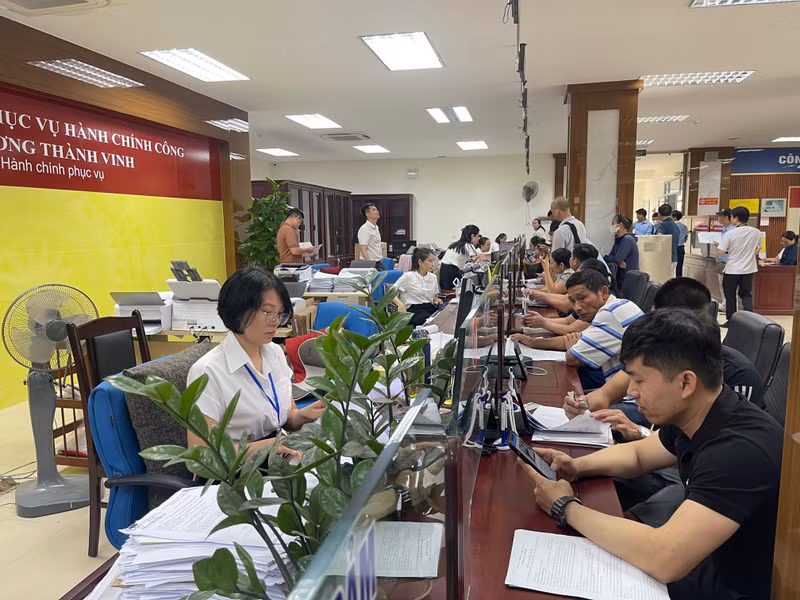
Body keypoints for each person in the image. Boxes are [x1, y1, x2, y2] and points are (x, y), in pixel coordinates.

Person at [523, 309, 782, 599]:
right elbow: (639, 455)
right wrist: (575, 466)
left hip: (727, 587)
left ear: (686, 383)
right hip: (703, 561)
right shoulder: (699, 412)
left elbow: (664, 557)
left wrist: (564, 507)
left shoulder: (738, 451)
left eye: (640, 380)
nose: (631, 391)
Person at [565, 278, 765, 427]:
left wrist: (642, 434)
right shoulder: (656, 353)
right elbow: (607, 394)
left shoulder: (738, 374)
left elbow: (720, 438)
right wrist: (580, 405)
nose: (632, 390)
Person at [187, 268, 326, 460]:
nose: (275, 322)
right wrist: (266, 446)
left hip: (280, 458)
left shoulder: (275, 353)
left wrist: (303, 416)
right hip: (237, 475)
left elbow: (284, 418)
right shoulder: (208, 372)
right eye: (268, 312)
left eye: (280, 314)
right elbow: (202, 455)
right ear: (237, 309)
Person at [515, 269, 644, 391]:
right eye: (572, 301)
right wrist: (532, 342)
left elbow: (572, 358)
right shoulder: (619, 305)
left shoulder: (610, 313)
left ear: (603, 292)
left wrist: (573, 349)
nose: (577, 307)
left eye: (582, 298)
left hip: (628, 394)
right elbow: (572, 339)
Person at [717, 206, 761, 324]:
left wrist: (730, 250)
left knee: (730, 295)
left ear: (736, 218)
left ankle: (731, 320)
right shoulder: (756, 232)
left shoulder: (731, 233)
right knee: (746, 294)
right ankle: (750, 319)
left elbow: (720, 251)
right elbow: (758, 249)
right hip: (749, 269)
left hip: (733, 269)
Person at [528, 244, 601, 313]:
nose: (570, 259)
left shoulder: (570, 274)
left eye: (571, 256)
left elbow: (552, 291)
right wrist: (534, 291)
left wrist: (546, 269)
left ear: (575, 261)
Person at [391, 248, 442, 326]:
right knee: (431, 323)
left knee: (441, 318)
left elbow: (434, 296)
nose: (433, 264)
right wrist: (400, 304)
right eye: (429, 261)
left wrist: (437, 300)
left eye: (433, 261)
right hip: (414, 310)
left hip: (429, 308)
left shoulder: (433, 277)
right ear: (420, 262)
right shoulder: (409, 276)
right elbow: (391, 293)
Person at [439, 224, 480, 291]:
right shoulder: (468, 245)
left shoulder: (457, 244)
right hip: (451, 272)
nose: (478, 239)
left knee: (447, 292)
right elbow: (477, 259)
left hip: (444, 270)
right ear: (472, 236)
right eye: (478, 236)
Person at [604, 215, 639, 287]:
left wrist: (616, 260)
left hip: (628, 279)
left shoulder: (627, 239)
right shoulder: (618, 240)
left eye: (613, 224)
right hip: (620, 277)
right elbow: (612, 257)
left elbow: (617, 258)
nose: (612, 227)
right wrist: (615, 260)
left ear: (620, 225)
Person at [713, 209, 736, 313]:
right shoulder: (725, 229)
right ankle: (724, 304)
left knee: (727, 286)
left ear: (726, 217)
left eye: (720, 216)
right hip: (722, 261)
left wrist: (720, 245)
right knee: (722, 285)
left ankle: (728, 306)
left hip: (728, 261)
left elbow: (731, 246)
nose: (718, 219)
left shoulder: (732, 230)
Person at [655, 203, 679, 278]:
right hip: (674, 257)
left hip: (664, 258)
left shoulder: (662, 225)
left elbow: (659, 239)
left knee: (663, 281)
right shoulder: (675, 226)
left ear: (659, 214)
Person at [672, 210, 689, 278]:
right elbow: (685, 239)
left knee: (671, 267)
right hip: (681, 248)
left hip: (672, 248)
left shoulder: (672, 226)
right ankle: (678, 281)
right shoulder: (684, 227)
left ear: (674, 217)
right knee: (679, 267)